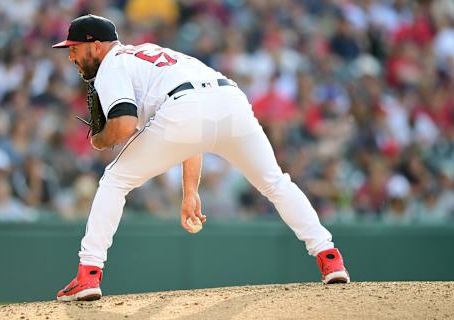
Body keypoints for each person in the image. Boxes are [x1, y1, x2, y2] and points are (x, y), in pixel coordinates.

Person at [52, 14, 350, 302]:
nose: (71, 57)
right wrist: (191, 191)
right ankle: (330, 257)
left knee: (114, 181)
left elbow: (125, 126)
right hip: (229, 99)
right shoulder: (153, 53)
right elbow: (194, 123)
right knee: (275, 182)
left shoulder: (110, 64)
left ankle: (88, 273)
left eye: (75, 48)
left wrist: (98, 139)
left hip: (186, 107)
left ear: (97, 45)